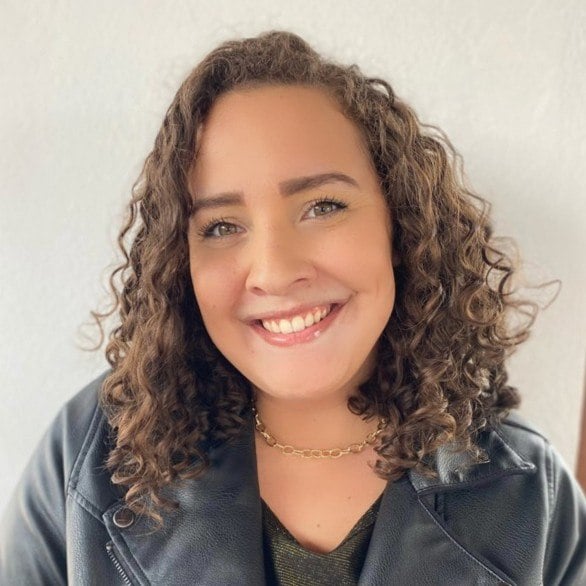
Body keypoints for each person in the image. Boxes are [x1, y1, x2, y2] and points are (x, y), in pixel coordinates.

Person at [0, 30, 584, 586]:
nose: (275, 271)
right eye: (221, 226)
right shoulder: (88, 454)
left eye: (323, 206)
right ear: (180, 261)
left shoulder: (531, 494)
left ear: (401, 224)